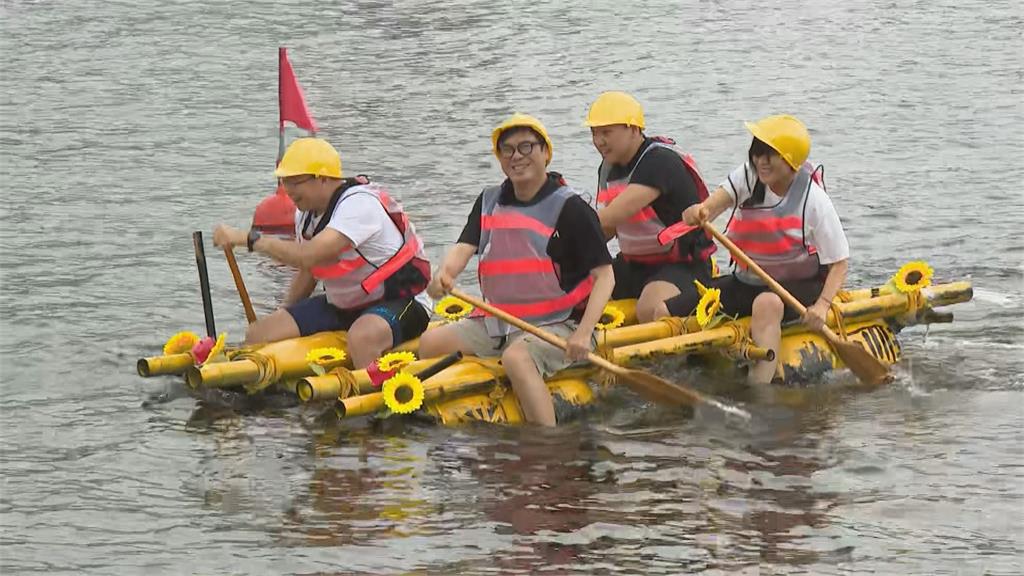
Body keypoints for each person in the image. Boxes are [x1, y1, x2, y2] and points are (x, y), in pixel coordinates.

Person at [418, 113, 615, 427]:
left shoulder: (572, 208)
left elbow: (605, 276)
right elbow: (464, 247)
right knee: (430, 345)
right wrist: (445, 274)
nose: (516, 157)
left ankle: (546, 442)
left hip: (561, 324)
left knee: (516, 357)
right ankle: (463, 406)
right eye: (507, 150)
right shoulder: (489, 201)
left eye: (526, 147)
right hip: (500, 320)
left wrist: (582, 333)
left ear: (545, 153)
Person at [658, 115, 850, 385]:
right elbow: (711, 208)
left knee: (767, 303)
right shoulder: (749, 177)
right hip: (746, 280)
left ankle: (759, 388)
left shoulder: (814, 200)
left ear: (790, 159)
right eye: (758, 153)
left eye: (770, 155)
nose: (761, 161)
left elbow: (839, 262)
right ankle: (678, 375)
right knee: (664, 312)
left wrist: (822, 306)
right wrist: (698, 212)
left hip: (797, 285)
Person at [212, 137, 431, 368]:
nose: (288, 190)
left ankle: (371, 399)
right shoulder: (305, 215)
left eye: (295, 182)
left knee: (361, 338)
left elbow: (308, 255)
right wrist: (286, 314)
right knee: (259, 334)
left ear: (323, 179)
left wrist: (250, 240)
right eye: (284, 181)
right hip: (345, 305)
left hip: (402, 300)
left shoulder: (359, 205)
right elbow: (309, 271)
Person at [586, 91, 716, 323]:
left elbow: (613, 215)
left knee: (648, 308)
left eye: (606, 133)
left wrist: (566, 232)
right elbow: (607, 230)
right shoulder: (608, 169)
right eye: (594, 133)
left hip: (682, 265)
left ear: (634, 129)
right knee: (576, 292)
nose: (599, 141)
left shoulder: (658, 162)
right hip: (634, 265)